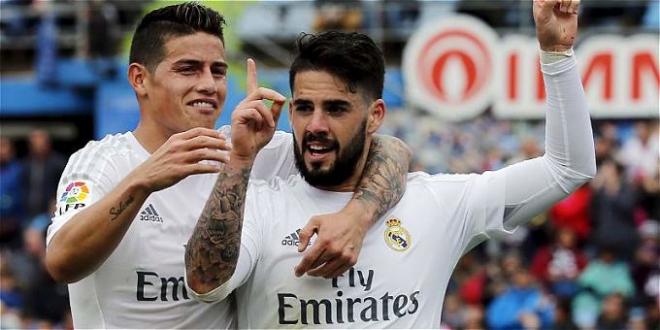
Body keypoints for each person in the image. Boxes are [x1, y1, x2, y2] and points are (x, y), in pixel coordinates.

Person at [185, 0, 596, 327]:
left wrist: (557, 55)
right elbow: (204, 283)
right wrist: (240, 159)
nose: (316, 125)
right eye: (304, 107)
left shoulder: (437, 204)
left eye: (337, 109)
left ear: (375, 115)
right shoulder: (259, 203)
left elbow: (568, 168)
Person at [44, 3, 411, 329]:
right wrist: (143, 181)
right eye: (188, 69)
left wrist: (356, 218)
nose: (209, 85)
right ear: (140, 79)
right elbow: (62, 262)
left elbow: (387, 150)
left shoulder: (248, 150)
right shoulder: (105, 161)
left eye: (217, 71)